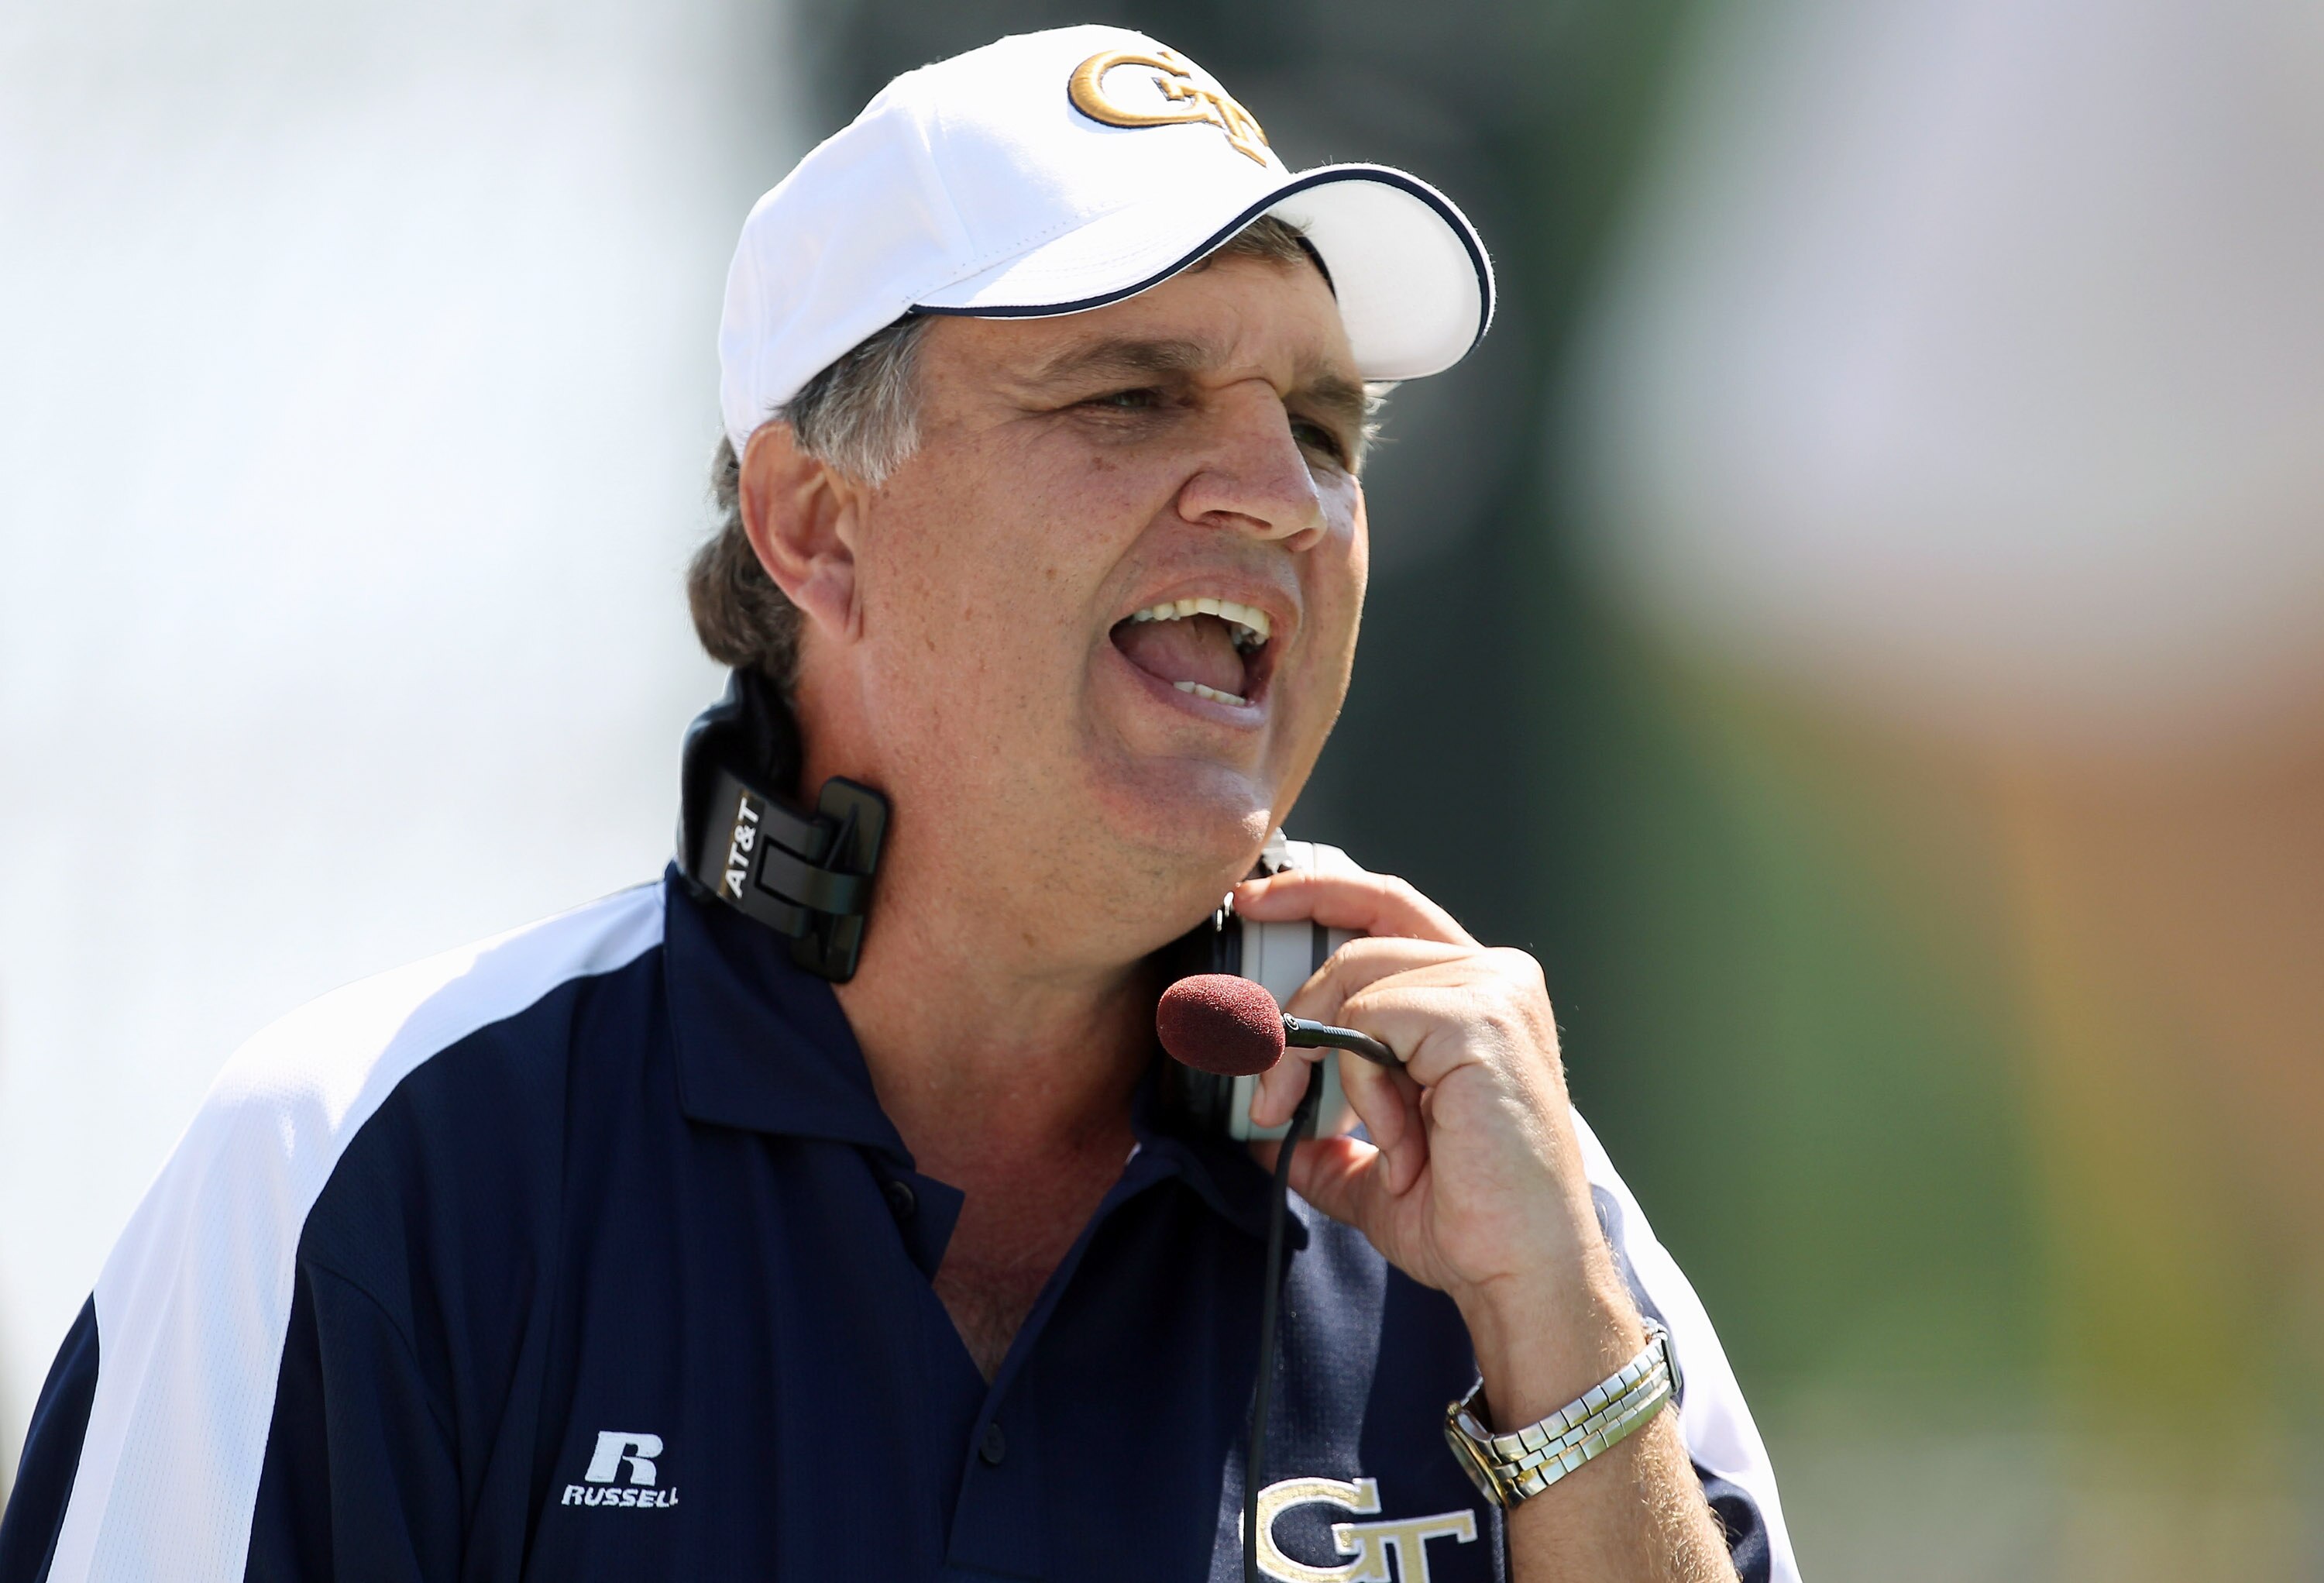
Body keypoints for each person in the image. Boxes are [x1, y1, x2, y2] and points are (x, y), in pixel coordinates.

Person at [0, 25, 1796, 1583]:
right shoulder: (359, 1174)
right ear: (817, 526)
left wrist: (1561, 1349)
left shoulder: (1524, 1228)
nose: (1278, 494)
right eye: (1133, 392)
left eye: (1325, 427)